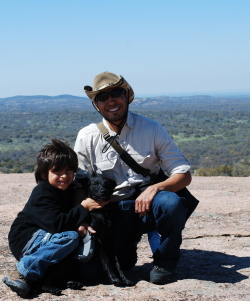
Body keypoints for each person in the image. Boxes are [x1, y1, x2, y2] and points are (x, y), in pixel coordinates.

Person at [74, 72, 192, 285]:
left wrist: (156, 188)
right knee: (119, 266)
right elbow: (78, 183)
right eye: (102, 97)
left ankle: (165, 260)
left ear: (127, 95)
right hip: (112, 213)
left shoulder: (151, 129)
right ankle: (129, 243)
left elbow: (183, 175)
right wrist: (82, 213)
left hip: (147, 206)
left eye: (116, 93)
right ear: (96, 105)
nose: (111, 100)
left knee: (171, 202)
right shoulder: (87, 137)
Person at [3, 138, 106, 297]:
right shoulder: (43, 193)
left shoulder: (67, 190)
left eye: (68, 171)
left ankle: (41, 281)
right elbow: (57, 224)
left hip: (46, 237)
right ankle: (22, 271)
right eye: (57, 171)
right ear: (44, 173)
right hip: (26, 238)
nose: (64, 176)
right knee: (69, 237)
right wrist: (84, 208)